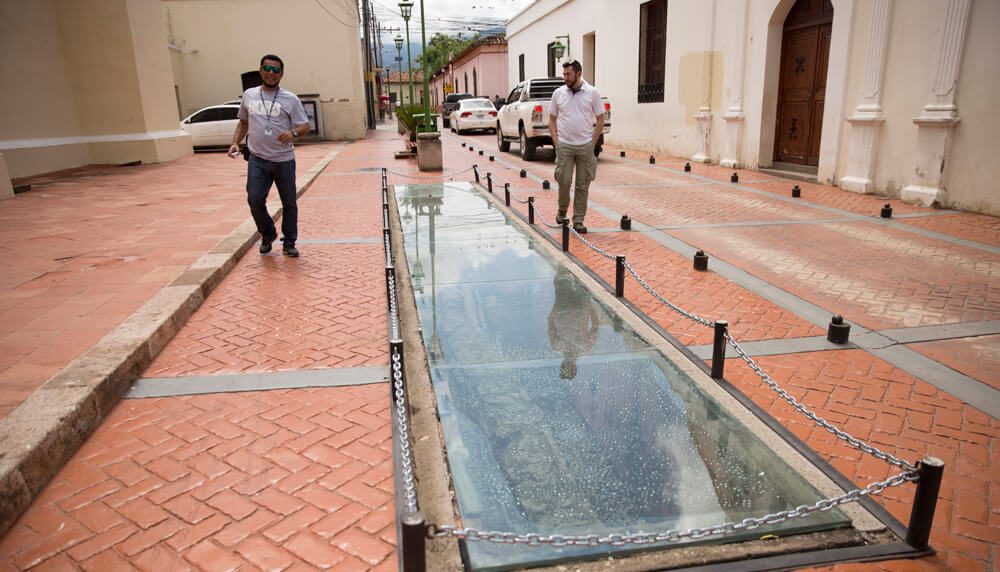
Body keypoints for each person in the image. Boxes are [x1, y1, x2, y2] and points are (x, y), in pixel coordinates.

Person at [229, 54, 311, 257]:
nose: (271, 74)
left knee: (289, 202)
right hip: (257, 159)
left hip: (283, 159)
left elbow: (305, 126)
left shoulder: (290, 99)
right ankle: (268, 233)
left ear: (281, 74)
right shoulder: (249, 95)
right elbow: (243, 122)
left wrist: (292, 133)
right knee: (255, 199)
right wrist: (234, 143)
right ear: (260, 70)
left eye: (276, 70)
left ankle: (289, 242)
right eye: (267, 69)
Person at [547, 60, 605, 234]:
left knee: (582, 185)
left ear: (578, 73)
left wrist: (592, 143)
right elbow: (551, 119)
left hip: (585, 145)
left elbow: (601, 118)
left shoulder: (592, 92)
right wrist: (556, 141)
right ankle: (562, 210)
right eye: (564, 74)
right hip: (564, 144)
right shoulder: (558, 93)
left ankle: (578, 220)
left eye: (568, 74)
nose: (565, 77)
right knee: (563, 181)